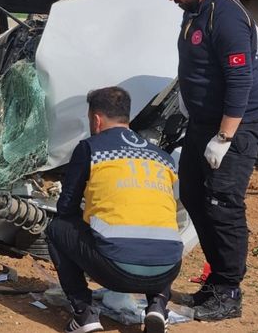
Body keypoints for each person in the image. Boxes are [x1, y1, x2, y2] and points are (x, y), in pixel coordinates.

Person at [156, 0, 258, 321]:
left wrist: (223, 139)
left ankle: (229, 291)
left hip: (235, 127)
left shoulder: (227, 17)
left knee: (222, 204)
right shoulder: (195, 11)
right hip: (203, 124)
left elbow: (240, 81)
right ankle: (216, 282)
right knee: (191, 193)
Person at [46, 87, 182, 333]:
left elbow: (66, 208)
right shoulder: (162, 157)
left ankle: (84, 315)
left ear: (96, 119)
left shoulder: (91, 148)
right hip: (167, 268)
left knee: (57, 228)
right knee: (156, 227)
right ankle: (158, 306)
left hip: (116, 271)